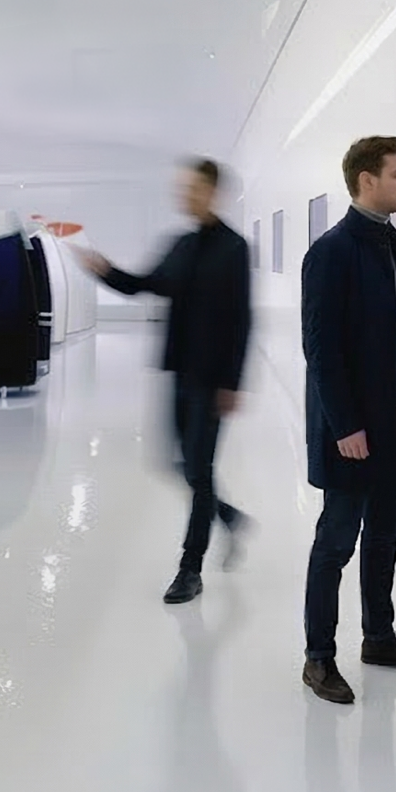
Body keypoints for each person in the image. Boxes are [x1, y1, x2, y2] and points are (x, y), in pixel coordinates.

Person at [76, 157, 252, 605]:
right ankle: (226, 515)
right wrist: (104, 270)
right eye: (182, 188)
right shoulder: (179, 244)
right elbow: (145, 284)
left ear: (212, 192)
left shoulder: (233, 249)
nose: (183, 195)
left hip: (212, 380)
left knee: (199, 468)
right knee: (176, 463)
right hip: (177, 371)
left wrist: (232, 382)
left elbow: (241, 319)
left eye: (192, 188)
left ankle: (189, 569)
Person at [298, 135, 396, 705]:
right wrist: (345, 425)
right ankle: (318, 657)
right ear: (366, 181)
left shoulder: (394, 250)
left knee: (386, 538)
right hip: (353, 434)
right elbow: (322, 350)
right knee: (336, 542)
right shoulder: (332, 252)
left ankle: (379, 637)